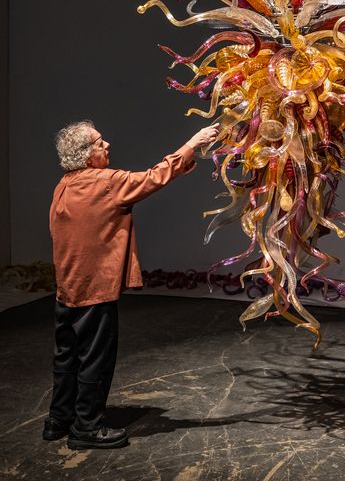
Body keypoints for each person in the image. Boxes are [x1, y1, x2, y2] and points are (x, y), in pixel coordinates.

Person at [43, 119, 219, 450]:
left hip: (68, 288)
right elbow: (154, 177)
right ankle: (87, 428)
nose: (107, 145)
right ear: (86, 154)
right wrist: (192, 144)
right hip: (94, 290)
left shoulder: (63, 185)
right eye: (99, 142)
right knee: (95, 357)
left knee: (67, 356)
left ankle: (59, 419)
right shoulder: (106, 183)